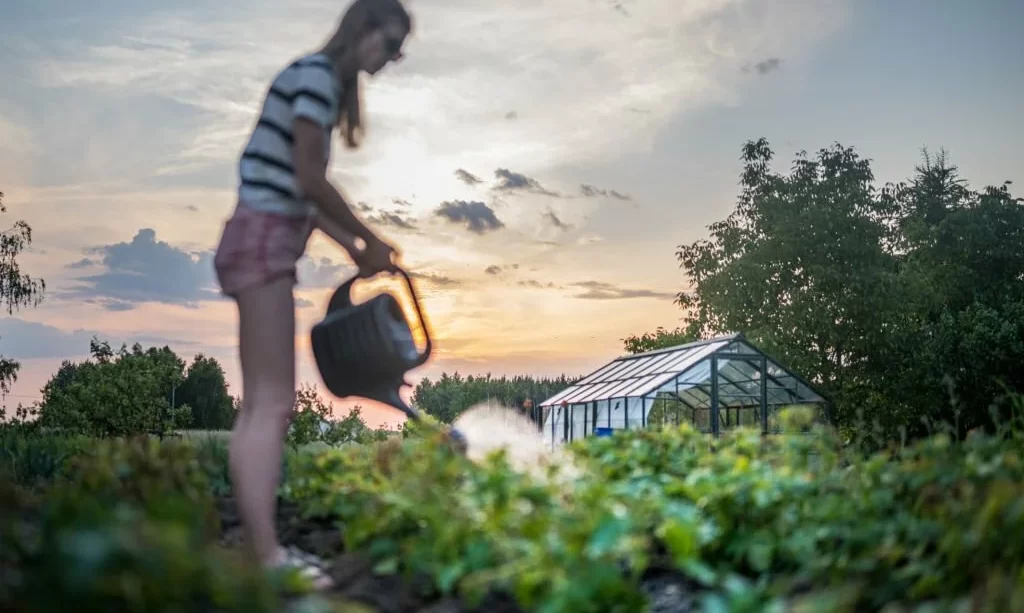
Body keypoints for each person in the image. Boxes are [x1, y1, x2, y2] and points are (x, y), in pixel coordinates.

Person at [212, 0, 413, 589]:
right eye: (392, 42)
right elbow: (306, 176)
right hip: (261, 240)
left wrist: (355, 249)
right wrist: (370, 237)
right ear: (365, 28)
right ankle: (266, 557)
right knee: (270, 405)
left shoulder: (317, 81)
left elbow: (301, 192)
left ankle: (259, 549)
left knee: (264, 404)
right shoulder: (316, 78)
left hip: (264, 236)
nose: (393, 57)